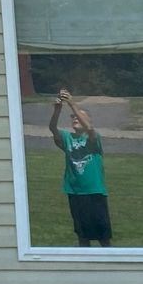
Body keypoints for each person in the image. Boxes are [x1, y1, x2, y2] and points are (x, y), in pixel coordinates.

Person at [48, 88, 112, 247]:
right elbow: (53, 129)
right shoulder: (67, 137)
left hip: (94, 191)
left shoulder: (93, 138)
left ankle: (110, 264)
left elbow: (89, 129)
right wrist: (57, 110)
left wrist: (71, 103)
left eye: (79, 116)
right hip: (75, 192)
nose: (75, 118)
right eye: (73, 117)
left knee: (102, 235)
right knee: (82, 235)